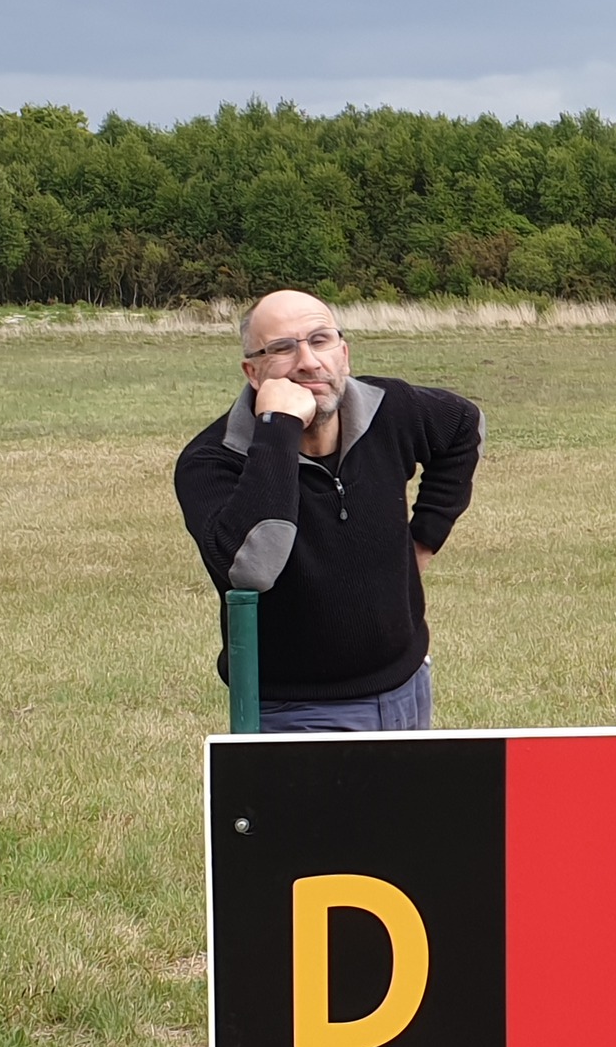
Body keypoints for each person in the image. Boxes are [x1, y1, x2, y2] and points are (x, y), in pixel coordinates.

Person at [175, 290, 483, 732]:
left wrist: (423, 540)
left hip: (408, 685)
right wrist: (277, 430)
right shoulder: (212, 461)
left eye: (320, 340)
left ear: (344, 354)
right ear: (253, 372)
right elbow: (253, 567)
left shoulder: (390, 409)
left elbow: (464, 425)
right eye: (282, 348)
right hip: (296, 709)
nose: (308, 361)